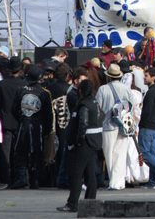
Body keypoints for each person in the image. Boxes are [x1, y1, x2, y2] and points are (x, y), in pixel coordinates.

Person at [57, 80, 102, 213]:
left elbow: (83, 124)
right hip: (94, 142)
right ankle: (90, 202)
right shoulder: (95, 103)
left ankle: (72, 204)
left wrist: (76, 141)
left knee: (76, 174)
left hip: (84, 143)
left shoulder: (84, 105)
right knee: (90, 173)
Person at [10, 66, 53, 189]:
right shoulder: (44, 92)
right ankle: (35, 179)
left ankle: (22, 178)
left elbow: (14, 109)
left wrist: (22, 118)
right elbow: (48, 114)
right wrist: (47, 129)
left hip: (24, 124)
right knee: (37, 153)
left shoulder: (21, 90)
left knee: (20, 152)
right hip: (37, 126)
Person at [95, 63, 135, 191]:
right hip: (123, 124)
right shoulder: (126, 89)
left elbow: (98, 108)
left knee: (109, 154)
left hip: (108, 125)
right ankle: (119, 182)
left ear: (109, 76)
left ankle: (113, 182)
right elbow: (132, 105)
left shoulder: (102, 89)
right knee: (121, 154)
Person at [0, 56, 27, 187]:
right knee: (20, 152)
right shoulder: (25, 85)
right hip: (21, 122)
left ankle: (6, 178)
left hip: (6, 122)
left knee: (5, 153)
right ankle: (19, 177)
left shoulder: (1, 85)